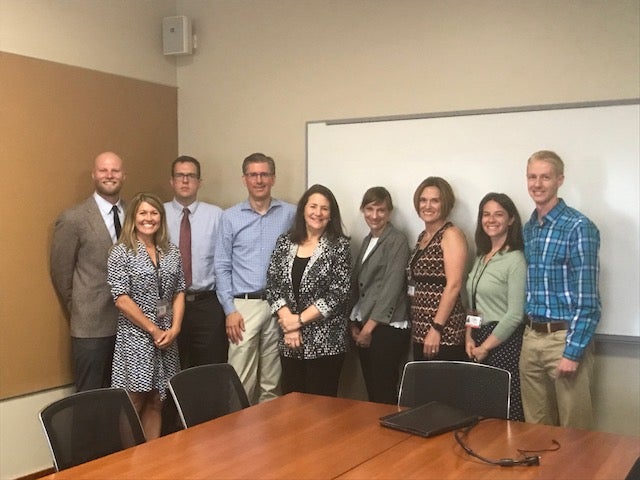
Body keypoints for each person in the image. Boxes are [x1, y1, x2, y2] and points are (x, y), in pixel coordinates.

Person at [520, 150, 600, 429]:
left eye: (545, 177)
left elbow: (588, 299)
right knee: (535, 429)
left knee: (574, 431)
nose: (537, 184)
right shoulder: (530, 228)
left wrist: (572, 351)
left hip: (564, 339)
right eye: (532, 176)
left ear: (560, 180)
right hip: (531, 338)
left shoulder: (578, 227)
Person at [214, 153, 296, 403]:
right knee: (240, 380)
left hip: (279, 306)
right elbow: (221, 266)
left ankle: (269, 438)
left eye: (264, 174)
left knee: (272, 381)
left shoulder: (290, 214)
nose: (259, 180)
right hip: (244, 307)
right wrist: (229, 310)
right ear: (244, 179)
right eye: (253, 175)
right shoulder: (229, 217)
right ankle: (238, 437)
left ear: (273, 178)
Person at [107, 192, 185, 440]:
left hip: (167, 337)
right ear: (133, 217)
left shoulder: (171, 251)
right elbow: (121, 298)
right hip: (136, 336)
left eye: (154, 213)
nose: (149, 218)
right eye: (143, 213)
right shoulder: (121, 252)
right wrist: (153, 329)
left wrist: (175, 328)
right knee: (135, 399)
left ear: (161, 218)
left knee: (157, 399)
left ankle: (152, 460)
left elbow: (180, 290)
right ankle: (129, 466)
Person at [50, 151, 126, 392]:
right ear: (94, 175)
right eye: (104, 170)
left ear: (124, 175)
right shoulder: (73, 218)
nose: (109, 175)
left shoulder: (135, 213)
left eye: (115, 170)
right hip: (90, 326)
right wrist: (80, 307)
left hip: (129, 324)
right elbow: (61, 273)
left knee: (122, 398)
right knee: (90, 398)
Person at [266, 184, 352, 397]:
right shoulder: (285, 242)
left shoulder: (339, 246)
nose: (318, 213)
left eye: (324, 208)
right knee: (291, 407)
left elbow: (338, 293)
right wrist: (290, 323)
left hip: (326, 343)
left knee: (320, 412)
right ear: (303, 209)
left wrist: (299, 320)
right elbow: (273, 284)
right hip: (290, 340)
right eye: (313, 206)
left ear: (331, 215)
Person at [464, 192, 526, 421]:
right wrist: (469, 337)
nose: (491, 219)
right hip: (478, 339)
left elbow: (515, 314)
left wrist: (486, 347)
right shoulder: (481, 257)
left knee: (504, 413)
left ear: (511, 220)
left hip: (503, 343)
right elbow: (473, 305)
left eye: (499, 214)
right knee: (481, 412)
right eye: (486, 214)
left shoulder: (515, 259)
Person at [349, 187, 410, 404]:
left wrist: (367, 329)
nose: (374, 216)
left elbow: (391, 288)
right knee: (373, 393)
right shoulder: (368, 240)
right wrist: (353, 323)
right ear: (363, 210)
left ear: (389, 212)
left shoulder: (397, 240)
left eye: (381, 210)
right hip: (367, 326)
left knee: (384, 393)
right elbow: (362, 285)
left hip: (386, 328)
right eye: (369, 209)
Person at [165, 155, 226, 368]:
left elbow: (225, 261)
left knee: (209, 368)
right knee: (172, 367)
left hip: (207, 305)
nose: (185, 181)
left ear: (199, 182)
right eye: (180, 176)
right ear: (171, 181)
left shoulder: (217, 215)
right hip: (169, 304)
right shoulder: (157, 215)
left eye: (190, 176)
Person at [407, 177, 467, 361]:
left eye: (435, 200)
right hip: (421, 329)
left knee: (442, 388)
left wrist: (436, 328)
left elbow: (454, 285)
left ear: (445, 203)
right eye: (423, 200)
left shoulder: (451, 234)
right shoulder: (423, 237)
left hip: (443, 332)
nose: (427, 206)